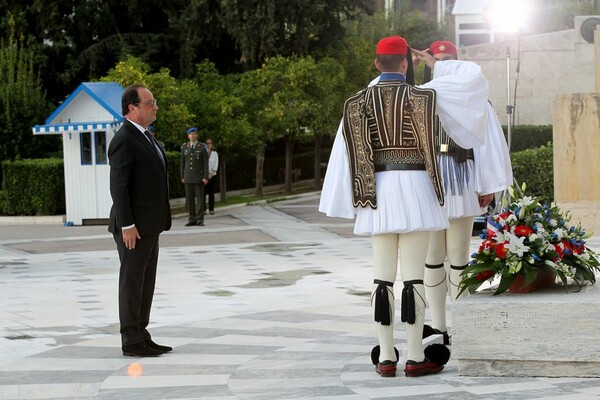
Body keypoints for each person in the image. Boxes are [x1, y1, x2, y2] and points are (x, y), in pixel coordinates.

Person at [319, 35, 490, 378]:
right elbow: (473, 79)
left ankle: (384, 356)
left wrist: (345, 200)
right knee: (414, 278)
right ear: (406, 63)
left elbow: (345, 155)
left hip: (376, 193)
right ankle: (414, 356)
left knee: (382, 278)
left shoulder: (356, 103)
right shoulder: (426, 96)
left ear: (376, 63)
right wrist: (435, 61)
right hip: (415, 190)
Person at [422, 41, 513, 344]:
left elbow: (486, 143)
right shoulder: (423, 96)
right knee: (433, 257)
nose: (443, 63)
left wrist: (485, 185)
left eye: (448, 59)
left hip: (461, 176)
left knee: (458, 256)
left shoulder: (475, 100)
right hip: (431, 179)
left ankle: (461, 323)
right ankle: (439, 325)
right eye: (438, 60)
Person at [108, 84, 172, 357]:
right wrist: (127, 225)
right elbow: (119, 186)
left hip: (150, 225)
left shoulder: (146, 137)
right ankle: (131, 340)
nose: (155, 106)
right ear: (132, 108)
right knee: (132, 282)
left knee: (146, 283)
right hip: (133, 227)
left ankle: (141, 332)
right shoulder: (124, 139)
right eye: (150, 102)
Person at [181, 127, 208, 226]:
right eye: (190, 134)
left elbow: (205, 163)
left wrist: (205, 176)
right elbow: (182, 163)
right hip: (188, 177)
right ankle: (191, 219)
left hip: (198, 177)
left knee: (200, 200)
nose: (192, 136)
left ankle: (200, 219)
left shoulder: (202, 147)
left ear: (197, 135)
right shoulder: (184, 147)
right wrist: (182, 176)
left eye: (194, 134)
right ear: (188, 136)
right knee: (190, 200)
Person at [204, 137, 219, 215]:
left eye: (209, 143)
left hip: (212, 176)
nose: (208, 145)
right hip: (205, 176)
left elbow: (216, 164)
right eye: (207, 143)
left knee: (211, 193)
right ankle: (203, 209)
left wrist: (211, 173)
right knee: (203, 193)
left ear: (212, 144)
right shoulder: (203, 153)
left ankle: (211, 209)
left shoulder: (214, 153)